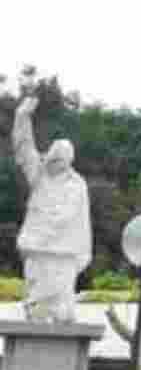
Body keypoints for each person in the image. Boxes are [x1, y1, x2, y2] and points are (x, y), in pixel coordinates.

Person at [10, 96, 91, 324]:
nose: (54, 163)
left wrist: (80, 251)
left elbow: (80, 221)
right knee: (36, 306)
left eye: (60, 160)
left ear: (69, 161)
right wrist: (22, 117)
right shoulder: (39, 175)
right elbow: (24, 146)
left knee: (62, 310)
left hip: (64, 251)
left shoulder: (77, 184)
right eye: (52, 159)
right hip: (37, 246)